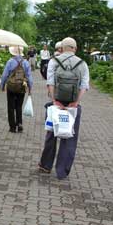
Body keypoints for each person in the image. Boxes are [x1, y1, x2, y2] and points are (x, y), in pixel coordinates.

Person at [38, 37, 90, 179]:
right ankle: (62, 172)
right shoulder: (82, 63)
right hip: (73, 105)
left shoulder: (54, 61)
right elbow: (84, 85)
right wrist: (76, 103)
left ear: (62, 48)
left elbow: (50, 83)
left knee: (52, 134)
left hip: (57, 103)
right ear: (75, 48)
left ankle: (45, 166)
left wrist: (54, 100)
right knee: (70, 137)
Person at [1, 46, 33, 133]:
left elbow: (4, 75)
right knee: (19, 106)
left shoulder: (10, 62)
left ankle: (12, 127)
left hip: (11, 87)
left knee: (10, 107)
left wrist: (2, 85)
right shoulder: (26, 63)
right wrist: (30, 89)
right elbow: (29, 77)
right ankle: (19, 124)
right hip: (21, 86)